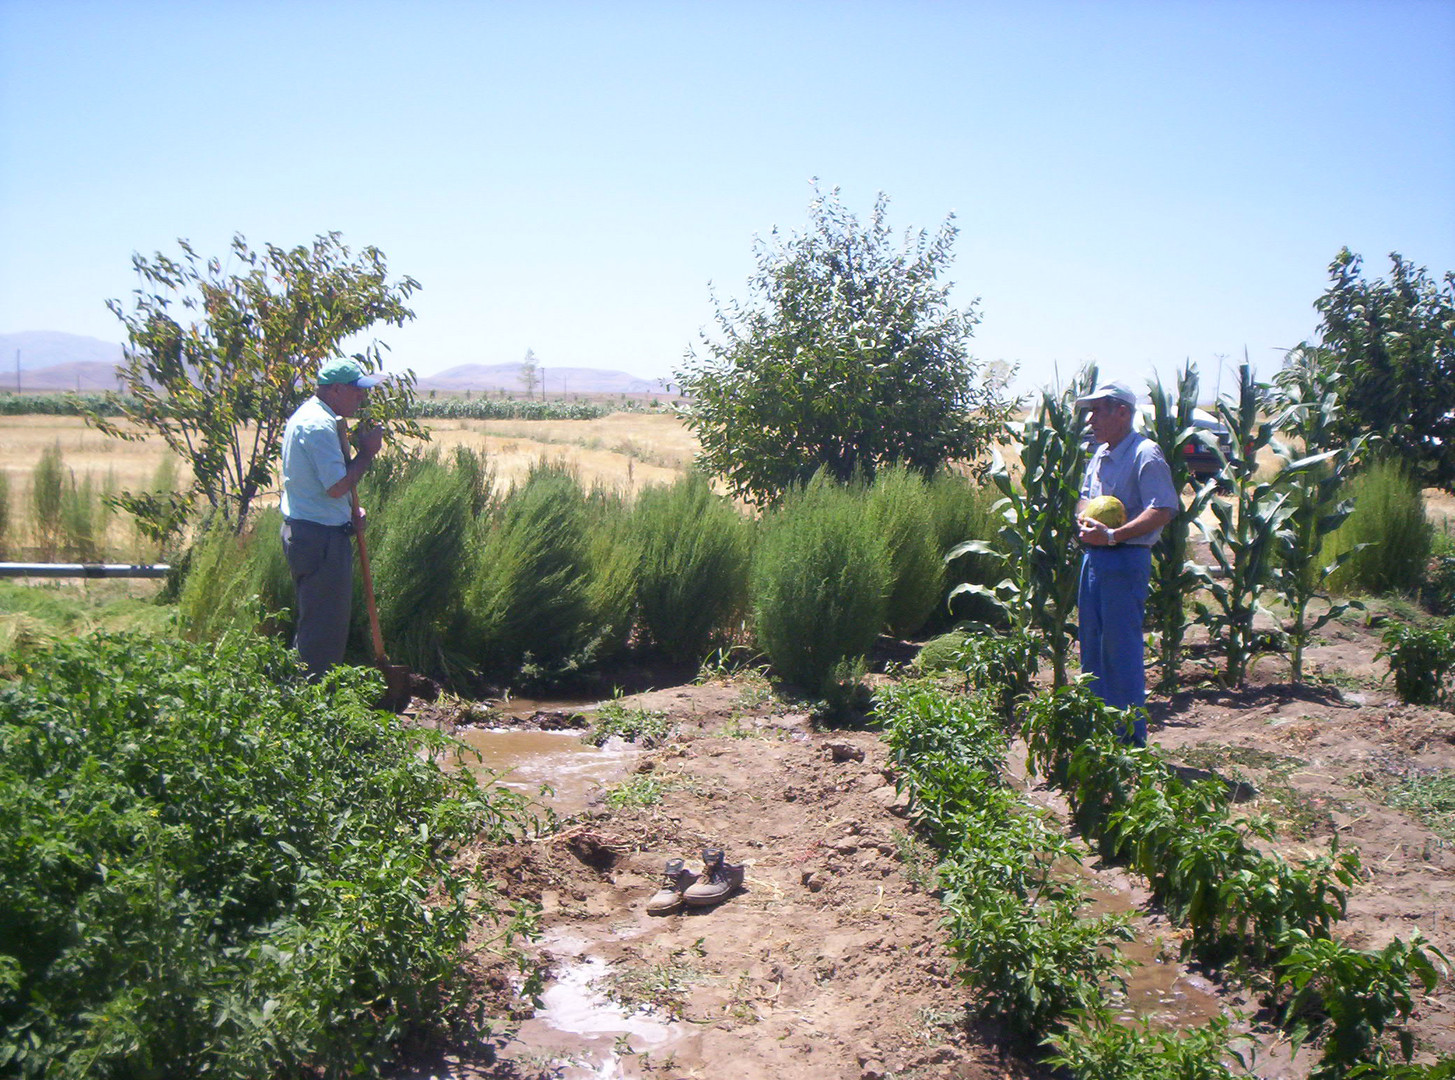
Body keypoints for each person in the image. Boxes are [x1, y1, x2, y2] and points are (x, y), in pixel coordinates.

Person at [1075, 382, 1177, 745]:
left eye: (1098, 410)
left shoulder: (1145, 454)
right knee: (1091, 647)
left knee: (1121, 651)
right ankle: (1098, 734)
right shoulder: (1100, 454)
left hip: (1125, 559)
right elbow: (1085, 500)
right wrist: (1084, 521)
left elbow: (1163, 508)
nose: (1091, 419)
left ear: (1122, 412)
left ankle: (1129, 743)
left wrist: (1115, 536)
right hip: (1095, 559)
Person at [279, 358, 384, 678]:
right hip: (319, 539)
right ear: (336, 389)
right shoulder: (317, 426)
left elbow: (327, 488)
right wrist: (367, 452)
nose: (362, 398)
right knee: (324, 627)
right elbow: (337, 486)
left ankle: (305, 696)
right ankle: (310, 704)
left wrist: (348, 516)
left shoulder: (320, 417)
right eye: (357, 391)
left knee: (320, 621)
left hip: (316, 530)